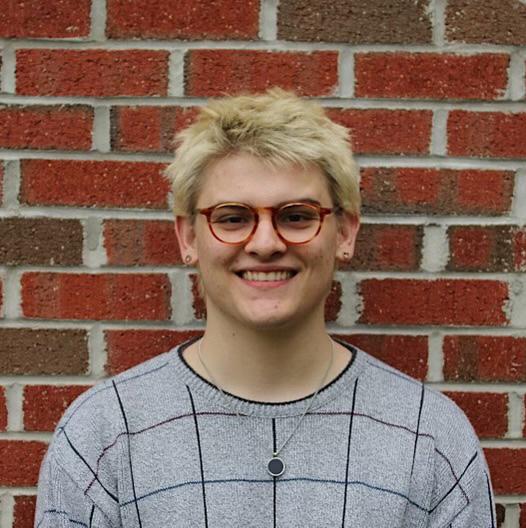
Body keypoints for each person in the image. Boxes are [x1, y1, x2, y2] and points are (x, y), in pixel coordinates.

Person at [35, 89, 495, 527]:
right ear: (188, 237)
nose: (266, 244)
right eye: (233, 218)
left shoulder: (429, 438)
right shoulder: (105, 434)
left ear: (345, 233)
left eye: (296, 216)